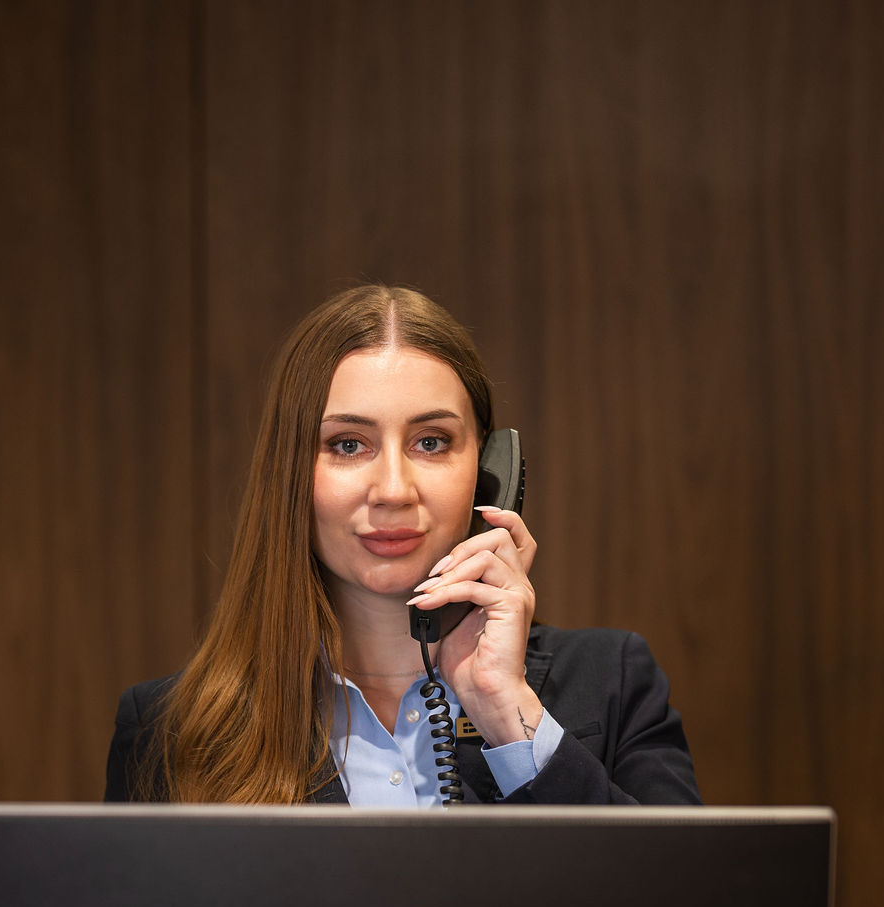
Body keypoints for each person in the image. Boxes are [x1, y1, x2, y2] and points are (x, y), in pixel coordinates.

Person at [105, 284, 698, 806]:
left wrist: (507, 715)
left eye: (432, 442)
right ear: (288, 472)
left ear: (491, 471)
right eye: (346, 445)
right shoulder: (167, 730)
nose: (392, 490)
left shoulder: (613, 679)